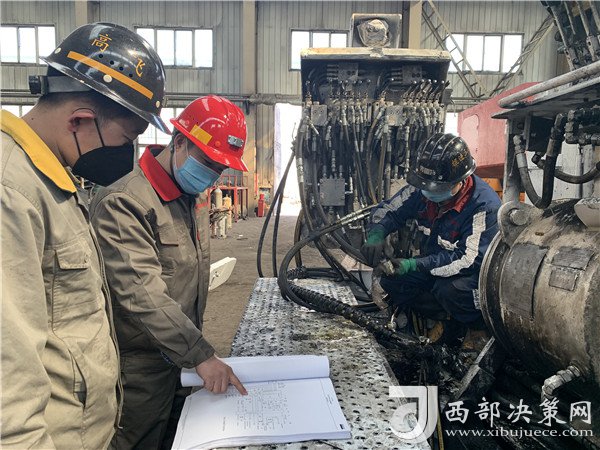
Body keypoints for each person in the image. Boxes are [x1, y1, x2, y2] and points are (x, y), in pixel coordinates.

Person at [1, 23, 167, 448]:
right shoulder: (11, 192)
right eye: (126, 139)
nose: (127, 155)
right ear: (80, 120)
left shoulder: (54, 180)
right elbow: (8, 386)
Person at [89, 95, 249, 449]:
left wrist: (192, 354)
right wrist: (201, 355)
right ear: (178, 142)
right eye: (207, 163)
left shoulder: (190, 197)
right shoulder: (125, 202)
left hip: (181, 358)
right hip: (139, 370)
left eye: (219, 169)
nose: (211, 176)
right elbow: (141, 294)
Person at [361, 133, 501, 343]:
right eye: (425, 185)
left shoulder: (484, 206)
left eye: (438, 188)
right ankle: (440, 321)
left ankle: (476, 332)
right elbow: (392, 209)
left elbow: (469, 259)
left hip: (467, 274)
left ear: (461, 181)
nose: (428, 192)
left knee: (451, 291)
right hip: (433, 264)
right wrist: (377, 232)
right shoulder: (424, 188)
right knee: (392, 280)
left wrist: (414, 265)